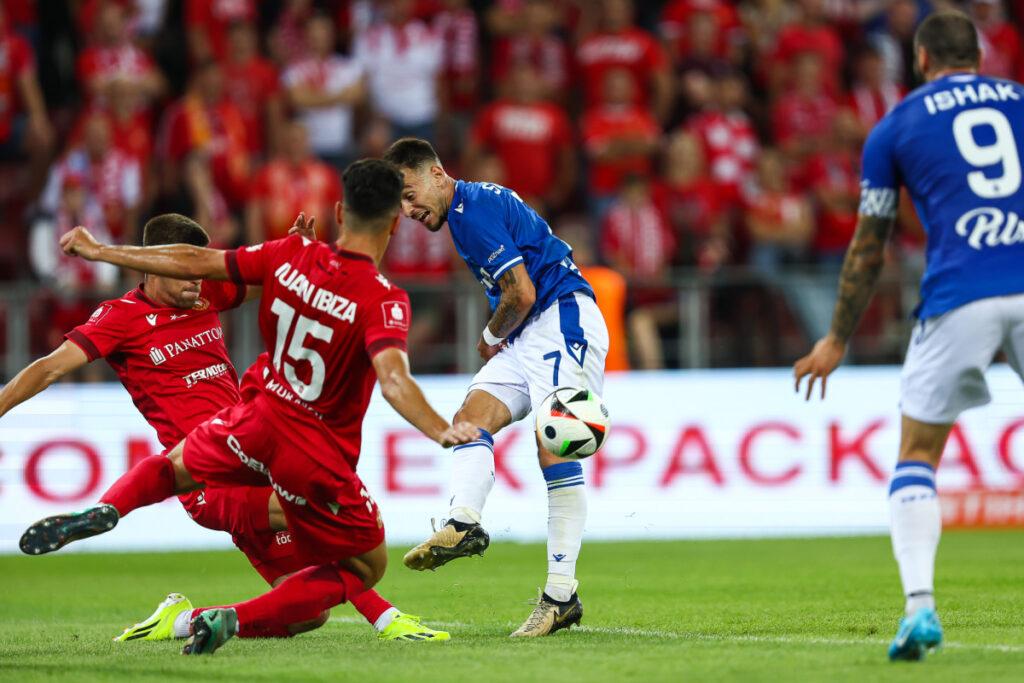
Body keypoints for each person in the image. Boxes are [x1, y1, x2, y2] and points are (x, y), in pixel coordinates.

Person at [19, 160, 479, 654]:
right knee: (327, 525)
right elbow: (47, 367)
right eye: (185, 271)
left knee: (307, 613)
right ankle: (388, 619)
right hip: (222, 472)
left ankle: (184, 619)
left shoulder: (203, 295)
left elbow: (251, 276)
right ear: (156, 266)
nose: (195, 283)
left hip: (254, 444)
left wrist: (294, 255)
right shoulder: (118, 319)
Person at [793, 11, 1024, 662]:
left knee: (918, 449)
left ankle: (920, 607)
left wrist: (837, 338)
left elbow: (871, 244)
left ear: (921, 60)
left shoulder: (894, 127)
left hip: (960, 294)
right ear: (978, 56)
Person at [383, 137, 609, 637]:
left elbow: (521, 291)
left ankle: (560, 596)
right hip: (530, 332)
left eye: (409, 192)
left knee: (556, 445)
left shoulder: (471, 209)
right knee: (470, 418)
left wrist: (489, 337)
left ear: (437, 174)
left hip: (561, 318)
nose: (407, 209)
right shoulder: (466, 209)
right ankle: (462, 522)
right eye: (399, 201)